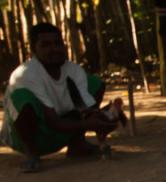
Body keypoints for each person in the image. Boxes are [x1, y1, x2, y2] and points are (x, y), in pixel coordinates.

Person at [0, 23, 116, 173]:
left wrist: (107, 117)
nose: (54, 49)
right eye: (46, 45)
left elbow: (87, 110)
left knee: (94, 83)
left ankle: (77, 144)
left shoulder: (73, 70)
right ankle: (31, 154)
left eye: (58, 43)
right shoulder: (26, 74)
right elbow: (53, 122)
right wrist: (92, 124)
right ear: (34, 50)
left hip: (61, 127)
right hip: (29, 136)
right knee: (24, 98)